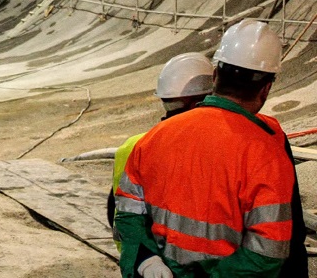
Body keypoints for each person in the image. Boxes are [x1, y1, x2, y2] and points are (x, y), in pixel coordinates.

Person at [115, 20, 308, 278]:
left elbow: (127, 214)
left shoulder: (155, 138)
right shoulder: (267, 151)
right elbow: (269, 251)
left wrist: (146, 259)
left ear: (215, 75)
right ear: (266, 89)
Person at [106, 52, 214, 250]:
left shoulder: (132, 146)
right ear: (202, 99)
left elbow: (115, 212)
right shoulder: (210, 146)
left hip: (139, 260)